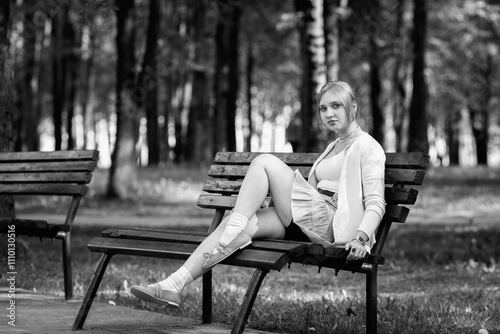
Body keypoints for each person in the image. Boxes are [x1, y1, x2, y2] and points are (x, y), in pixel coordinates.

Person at [130, 81, 386, 308]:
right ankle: (174, 284)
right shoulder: (333, 146)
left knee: (265, 161)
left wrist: (362, 238)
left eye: (336, 106)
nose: (329, 113)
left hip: (329, 223)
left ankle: (237, 225)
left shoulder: (367, 146)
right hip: (306, 221)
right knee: (232, 224)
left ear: (353, 106)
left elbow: (376, 202)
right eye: (323, 108)